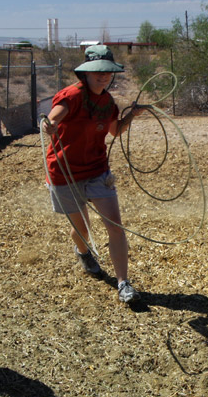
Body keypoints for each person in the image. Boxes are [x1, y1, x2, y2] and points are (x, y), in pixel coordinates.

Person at [42, 44, 143, 303]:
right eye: (97, 71)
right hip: (64, 173)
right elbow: (54, 116)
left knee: (115, 227)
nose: (103, 75)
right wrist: (50, 124)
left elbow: (115, 130)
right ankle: (83, 252)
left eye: (107, 71)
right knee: (83, 229)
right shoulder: (72, 95)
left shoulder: (107, 102)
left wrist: (132, 115)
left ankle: (123, 283)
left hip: (98, 171)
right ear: (85, 73)